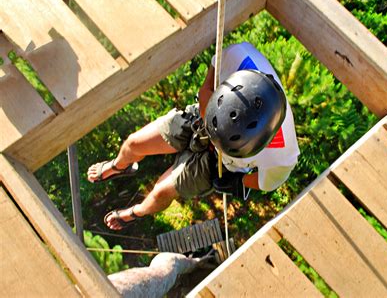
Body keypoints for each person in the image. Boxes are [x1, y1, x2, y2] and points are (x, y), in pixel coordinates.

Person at [87, 42, 300, 230]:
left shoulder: (282, 156)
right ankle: (118, 165)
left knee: (161, 191)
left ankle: (136, 213)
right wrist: (208, 120)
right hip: (202, 117)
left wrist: (239, 181)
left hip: (219, 164)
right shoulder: (238, 57)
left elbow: (266, 182)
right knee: (134, 143)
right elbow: (206, 88)